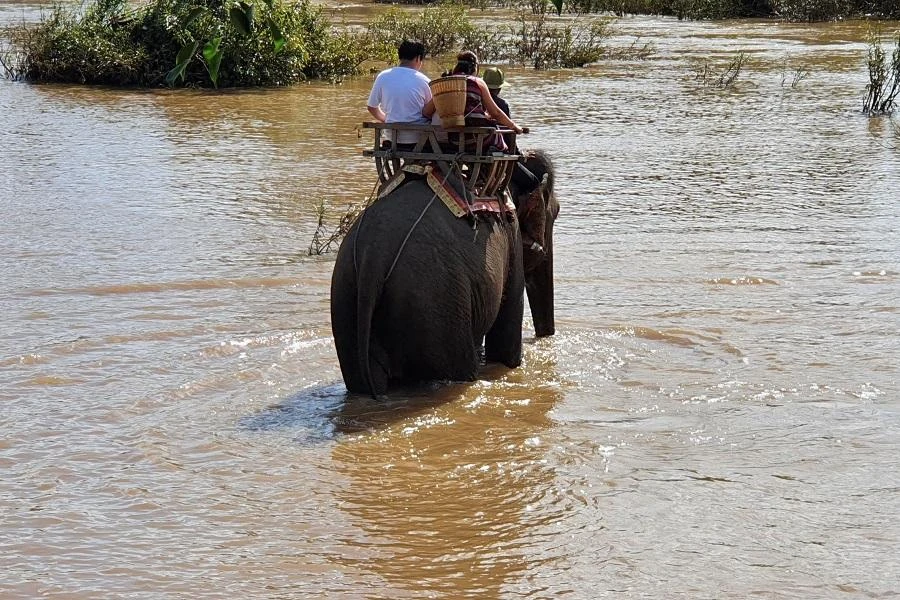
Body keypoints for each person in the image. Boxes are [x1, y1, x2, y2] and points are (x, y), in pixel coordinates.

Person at [367, 40, 432, 149]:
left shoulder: (382, 76)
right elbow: (430, 111)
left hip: (391, 138)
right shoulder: (424, 81)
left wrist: (386, 119)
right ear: (418, 58)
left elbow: (372, 107)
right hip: (418, 140)